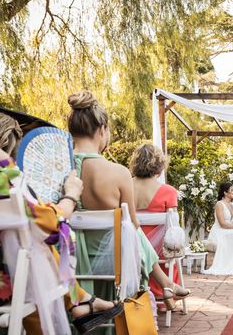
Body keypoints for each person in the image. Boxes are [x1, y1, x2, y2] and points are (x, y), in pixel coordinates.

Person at [0, 55, 121, 335]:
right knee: (34, 255)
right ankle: (75, 309)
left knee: (28, 257)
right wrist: (69, 196)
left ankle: (79, 304)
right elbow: (42, 222)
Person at [67, 91, 188, 314]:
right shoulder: (118, 173)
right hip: (113, 260)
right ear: (102, 129)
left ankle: (166, 285)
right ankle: (166, 284)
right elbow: (132, 225)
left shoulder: (60, 168)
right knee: (134, 232)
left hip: (68, 255)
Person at [130, 144, 188, 310]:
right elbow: (173, 227)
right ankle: (167, 290)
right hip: (158, 250)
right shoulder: (168, 191)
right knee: (171, 249)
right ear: (159, 165)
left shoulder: (125, 186)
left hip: (132, 245)